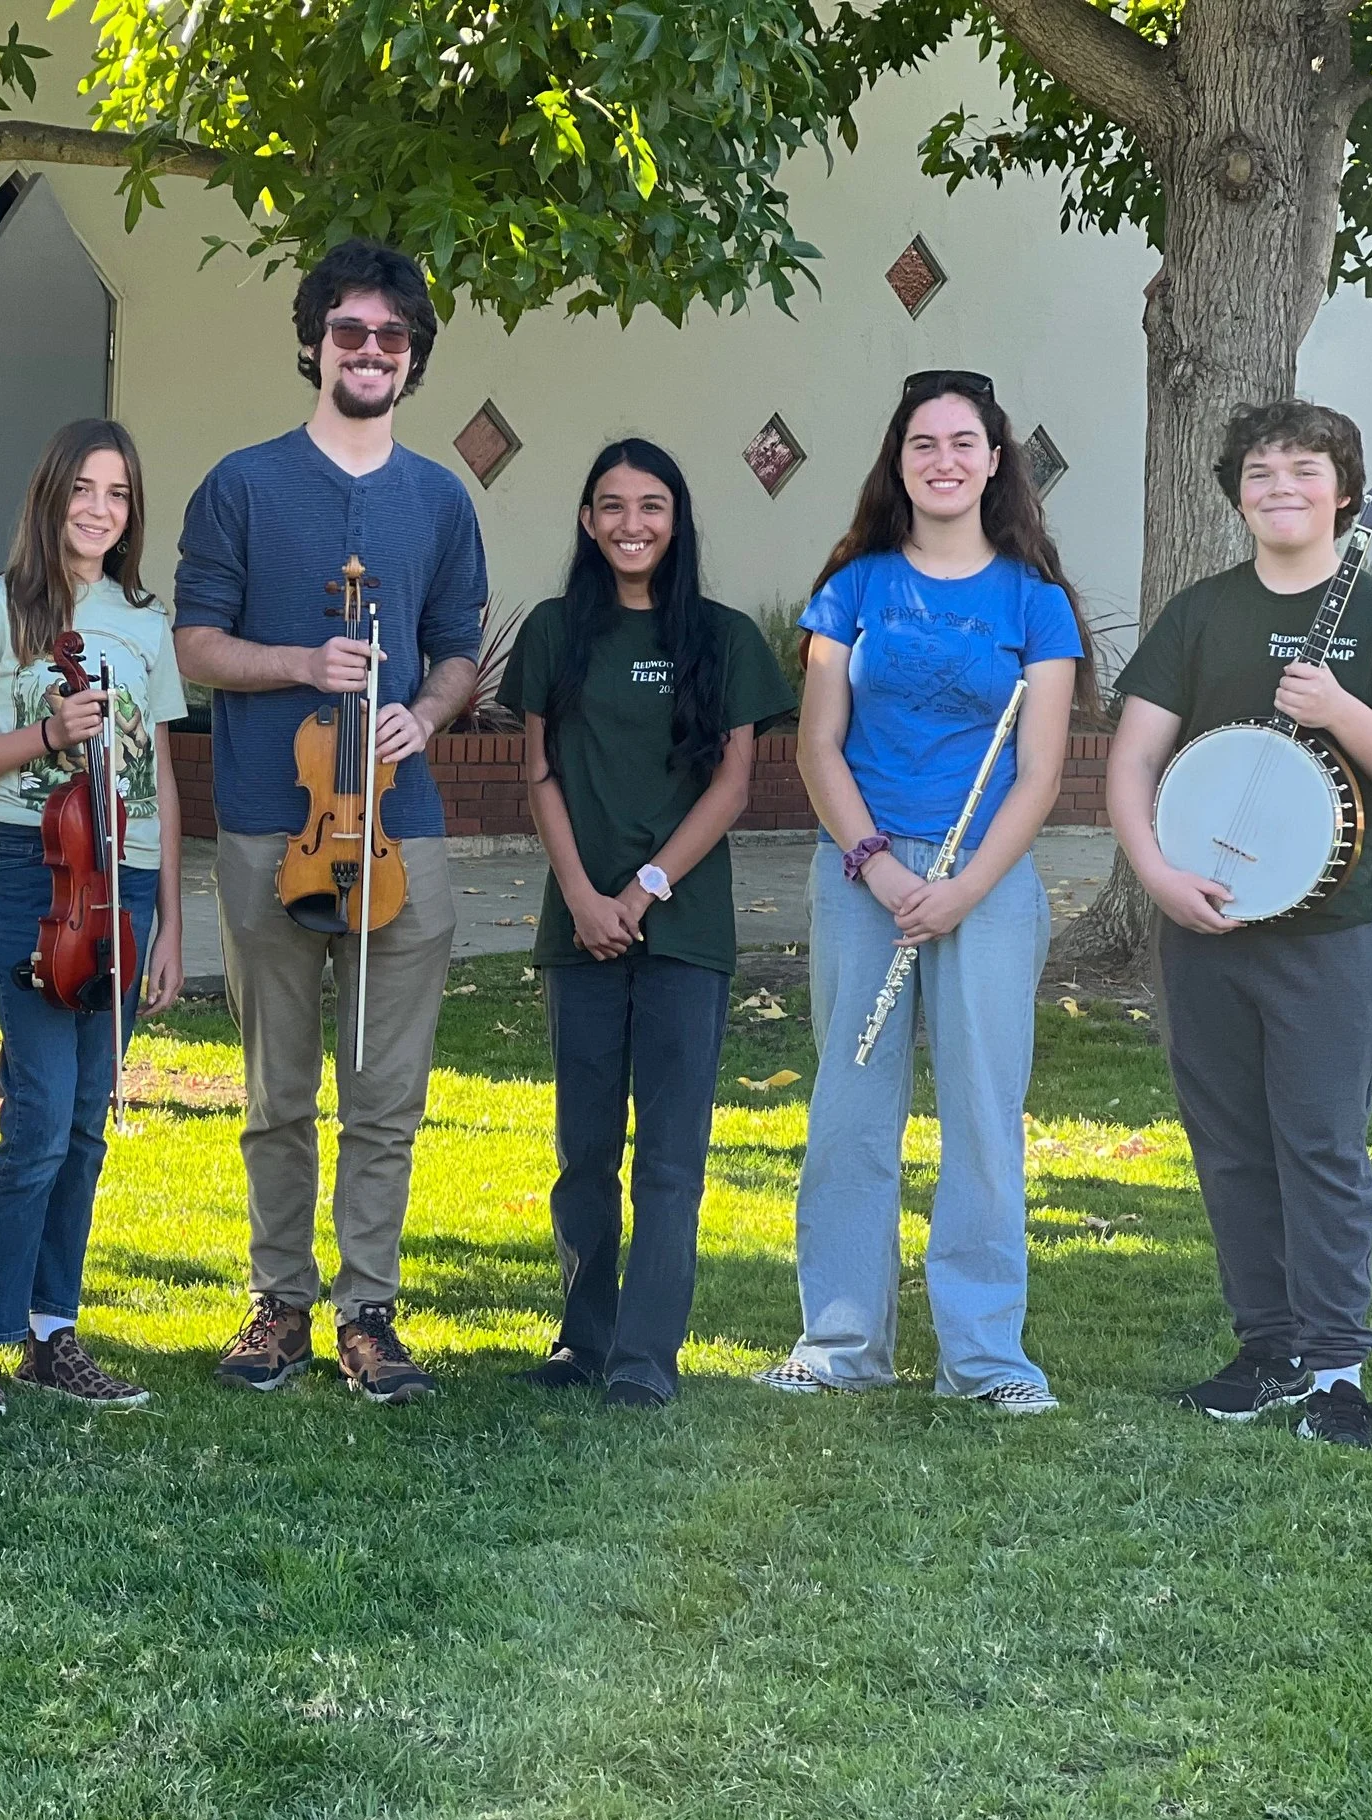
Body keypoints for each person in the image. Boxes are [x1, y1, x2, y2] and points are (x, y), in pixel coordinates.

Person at [174, 238, 487, 1404]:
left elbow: (457, 648)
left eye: (391, 338)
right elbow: (196, 643)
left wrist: (426, 712)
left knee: (386, 1091)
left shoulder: (437, 499)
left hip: (405, 826)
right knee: (277, 1086)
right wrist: (301, 659)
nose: (369, 352)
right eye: (349, 332)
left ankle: (367, 1308)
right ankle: (278, 1302)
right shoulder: (242, 485)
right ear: (315, 344)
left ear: (412, 360)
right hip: (273, 820)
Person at [1108, 401, 1372, 1450]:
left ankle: (1337, 1371)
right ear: (1237, 493)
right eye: (1260, 472)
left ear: (1346, 492)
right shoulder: (1200, 613)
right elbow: (1130, 761)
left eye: (1305, 470)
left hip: (1330, 938)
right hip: (1204, 928)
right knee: (1228, 1149)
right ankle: (1267, 1350)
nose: (1281, 487)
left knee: (1321, 1149)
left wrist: (1344, 711)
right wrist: (1156, 874)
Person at [757, 370, 1087, 1414]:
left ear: (995, 461)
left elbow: (1038, 776)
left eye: (962, 443)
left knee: (983, 1119)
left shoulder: (1036, 603)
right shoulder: (851, 587)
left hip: (984, 882)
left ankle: (984, 1360)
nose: (942, 460)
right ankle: (842, 1342)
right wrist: (882, 869)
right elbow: (817, 746)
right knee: (851, 1109)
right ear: (896, 464)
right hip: (864, 870)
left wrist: (961, 889)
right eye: (921, 444)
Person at [497, 439, 795, 1408]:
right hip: (575, 924)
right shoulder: (553, 632)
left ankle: (643, 1356)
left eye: (651, 506)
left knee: (670, 1154)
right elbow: (538, 773)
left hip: (685, 930)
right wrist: (584, 895)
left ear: (677, 521)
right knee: (584, 1148)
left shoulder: (720, 637)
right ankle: (581, 1341)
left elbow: (734, 780)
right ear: (587, 521)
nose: (631, 523)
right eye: (612, 506)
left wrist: (645, 889)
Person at [0, 420, 188, 1416]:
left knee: (84, 1124)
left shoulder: (145, 622)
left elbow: (156, 767)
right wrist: (40, 733)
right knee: (38, 1113)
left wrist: (171, 924)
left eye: (118, 494)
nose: (99, 510)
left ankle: (50, 1332)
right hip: (33, 872)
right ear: (50, 496)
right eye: (83, 489)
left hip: (129, 877)